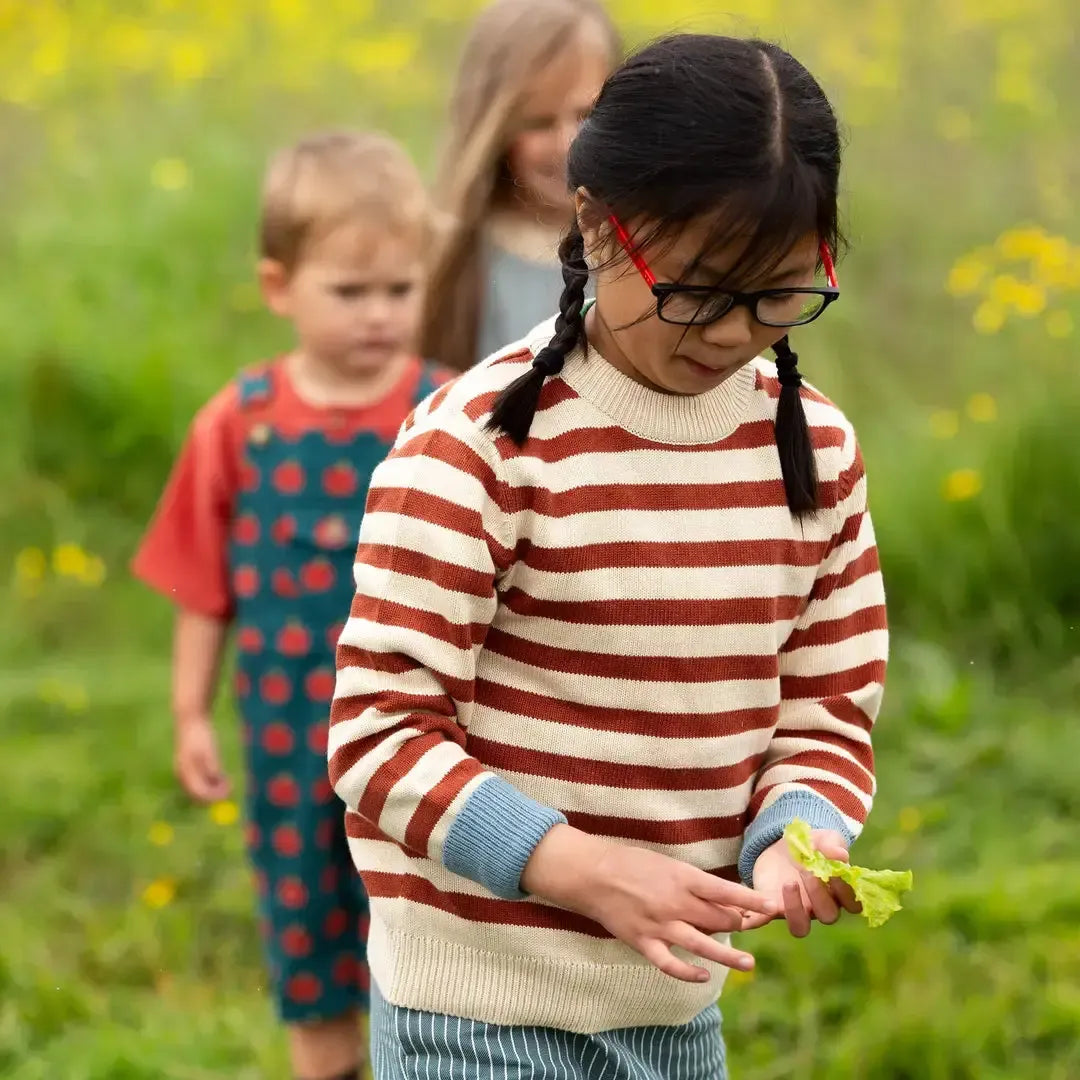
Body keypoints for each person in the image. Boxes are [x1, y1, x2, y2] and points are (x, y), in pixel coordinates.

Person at [330, 34, 887, 1080]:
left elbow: (826, 706)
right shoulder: (478, 445)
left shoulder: (813, 452)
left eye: (775, 295)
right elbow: (378, 734)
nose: (729, 334)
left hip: (672, 1007)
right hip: (475, 1011)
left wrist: (800, 831)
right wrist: (577, 868)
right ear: (594, 218)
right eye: (697, 291)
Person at [132, 131, 450, 1080]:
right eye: (349, 294)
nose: (378, 316)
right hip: (286, 739)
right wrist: (190, 709)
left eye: (399, 290)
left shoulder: (444, 411)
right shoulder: (243, 421)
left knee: (422, 926)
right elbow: (203, 584)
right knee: (307, 926)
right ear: (280, 287)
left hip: (424, 736)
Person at [419, 0, 620, 371]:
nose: (568, 143)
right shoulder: (448, 255)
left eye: (586, 114)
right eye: (539, 122)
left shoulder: (640, 244)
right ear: (493, 128)